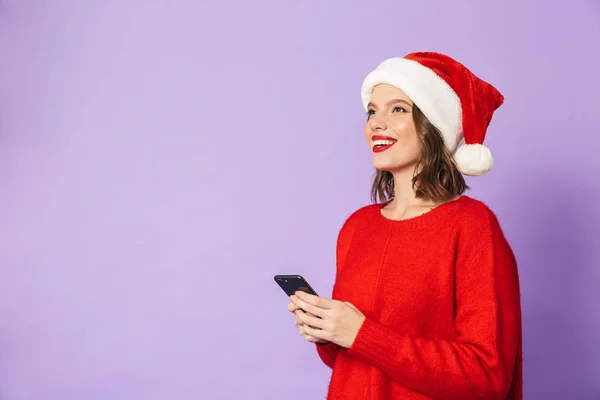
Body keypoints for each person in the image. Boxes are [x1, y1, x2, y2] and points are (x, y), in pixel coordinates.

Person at [287, 52, 522, 400]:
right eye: (372, 111)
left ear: (434, 125)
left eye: (397, 109)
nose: (376, 124)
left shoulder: (472, 226)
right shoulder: (357, 227)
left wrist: (361, 333)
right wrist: (328, 332)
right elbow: (352, 362)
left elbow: (487, 375)